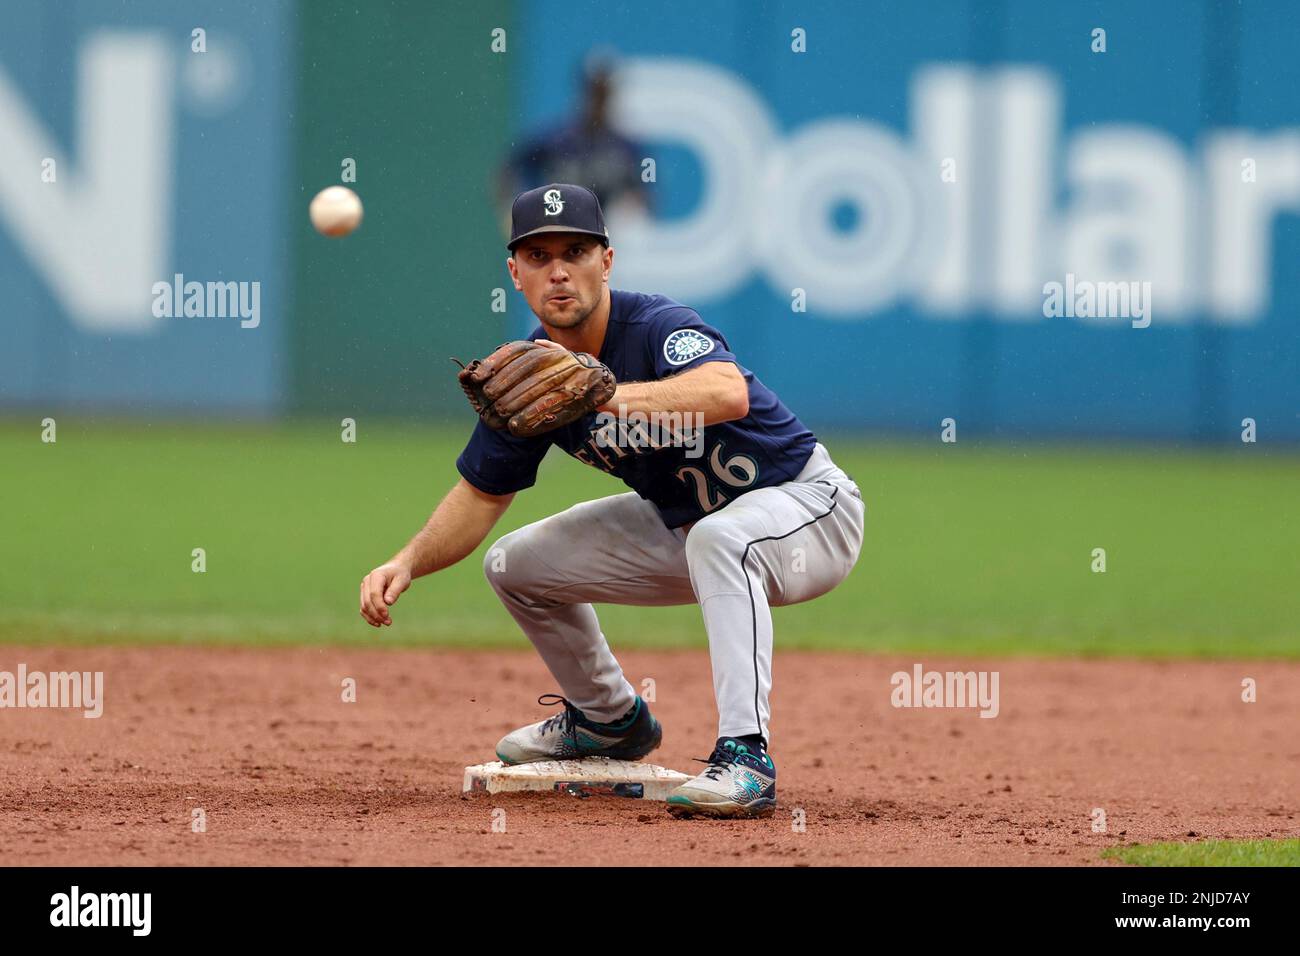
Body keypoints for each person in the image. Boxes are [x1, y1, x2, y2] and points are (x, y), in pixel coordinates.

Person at [359, 183, 865, 819]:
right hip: (688, 528)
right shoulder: (530, 374)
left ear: (607, 261)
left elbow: (726, 391)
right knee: (515, 565)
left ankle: (746, 756)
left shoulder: (655, 325)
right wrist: (407, 562)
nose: (558, 271)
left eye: (575, 251)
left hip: (809, 511)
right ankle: (609, 721)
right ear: (514, 274)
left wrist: (604, 394)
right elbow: (481, 496)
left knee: (721, 538)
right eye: (538, 257)